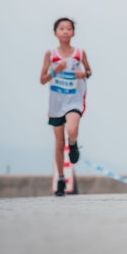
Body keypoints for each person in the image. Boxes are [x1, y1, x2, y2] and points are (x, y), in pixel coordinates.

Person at [39, 18, 92, 197]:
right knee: (59, 143)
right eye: (61, 28)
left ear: (73, 33)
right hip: (56, 103)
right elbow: (42, 79)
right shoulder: (50, 54)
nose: (65, 31)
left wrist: (83, 74)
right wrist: (56, 70)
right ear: (55, 33)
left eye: (68, 28)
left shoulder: (79, 53)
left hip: (74, 100)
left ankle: (74, 143)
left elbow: (89, 71)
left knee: (72, 129)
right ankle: (61, 179)